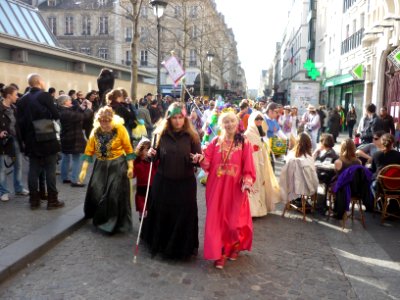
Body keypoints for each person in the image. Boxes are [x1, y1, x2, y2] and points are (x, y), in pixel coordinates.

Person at [198, 111, 256, 269]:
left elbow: (248, 165)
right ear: (221, 125)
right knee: (216, 221)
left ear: (236, 123)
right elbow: (207, 163)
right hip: (216, 188)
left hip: (235, 188)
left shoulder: (244, 142)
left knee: (232, 223)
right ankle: (220, 253)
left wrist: (247, 180)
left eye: (231, 121)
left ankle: (235, 244)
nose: (229, 124)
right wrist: (201, 159)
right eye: (226, 122)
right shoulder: (215, 141)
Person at [144, 102, 201, 259]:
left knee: (183, 215)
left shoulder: (193, 136)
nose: (177, 121)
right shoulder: (159, 135)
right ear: (168, 118)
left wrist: (197, 159)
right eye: (174, 117)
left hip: (185, 183)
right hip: (164, 182)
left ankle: (181, 248)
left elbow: (198, 159)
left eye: (180, 117)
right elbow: (152, 158)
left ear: (185, 118)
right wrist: (149, 154)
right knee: (163, 213)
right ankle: (161, 245)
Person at [79, 107, 134, 234]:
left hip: (117, 164)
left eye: (107, 121)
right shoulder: (95, 131)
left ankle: (112, 223)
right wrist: (83, 169)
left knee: (113, 194)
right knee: (96, 190)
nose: (104, 124)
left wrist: (130, 167)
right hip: (101, 165)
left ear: (111, 119)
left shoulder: (120, 129)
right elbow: (89, 151)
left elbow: (128, 148)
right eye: (101, 120)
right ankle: (98, 216)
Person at [17, 73, 64, 210]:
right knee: (50, 169)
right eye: (43, 80)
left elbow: (20, 123)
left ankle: (34, 200)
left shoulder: (22, 100)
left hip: (30, 139)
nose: (44, 82)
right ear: (38, 82)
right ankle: (52, 200)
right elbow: (56, 115)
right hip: (46, 137)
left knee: (33, 170)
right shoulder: (44, 96)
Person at [244, 111, 280, 217]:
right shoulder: (248, 133)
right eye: (257, 119)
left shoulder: (260, 132)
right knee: (254, 183)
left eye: (260, 119)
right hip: (252, 162)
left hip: (261, 161)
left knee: (261, 182)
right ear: (252, 120)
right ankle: (252, 211)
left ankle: (259, 209)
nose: (259, 121)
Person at [0, 85, 29, 202]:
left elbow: (19, 125)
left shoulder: (15, 108)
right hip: (2, 142)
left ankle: (19, 188)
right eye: (15, 94)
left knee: (18, 164)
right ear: (8, 96)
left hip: (15, 140)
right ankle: (4, 192)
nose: (17, 96)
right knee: (1, 168)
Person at [58, 95, 93, 187]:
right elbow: (83, 116)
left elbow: (75, 112)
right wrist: (89, 108)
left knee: (65, 157)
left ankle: (65, 177)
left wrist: (81, 107)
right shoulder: (66, 112)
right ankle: (74, 180)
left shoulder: (63, 110)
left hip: (66, 137)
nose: (71, 102)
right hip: (74, 138)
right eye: (69, 100)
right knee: (76, 159)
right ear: (64, 102)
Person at [279, 133, 319, 207]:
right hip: (306, 187)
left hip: (291, 185)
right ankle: (313, 203)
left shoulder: (291, 155)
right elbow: (313, 179)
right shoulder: (309, 158)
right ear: (309, 144)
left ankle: (292, 200)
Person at [133, 138, 158, 220]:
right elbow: (133, 174)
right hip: (141, 189)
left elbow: (159, 167)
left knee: (151, 206)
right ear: (140, 151)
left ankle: (150, 222)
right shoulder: (137, 162)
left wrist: (155, 157)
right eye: (146, 150)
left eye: (149, 149)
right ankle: (142, 220)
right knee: (142, 207)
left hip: (152, 187)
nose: (148, 152)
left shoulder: (152, 162)